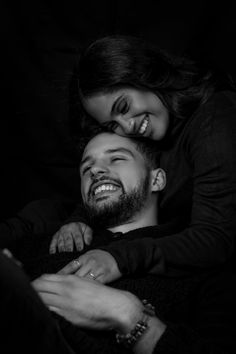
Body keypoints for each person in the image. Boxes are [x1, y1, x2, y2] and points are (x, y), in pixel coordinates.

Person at [1, 131, 236, 354]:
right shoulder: (45, 241)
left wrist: (129, 316)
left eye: (116, 158)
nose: (95, 170)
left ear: (157, 180)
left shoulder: (199, 266)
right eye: (86, 167)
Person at [49, 35, 236, 279]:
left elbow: (216, 239)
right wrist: (79, 220)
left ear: (145, 74)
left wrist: (118, 257)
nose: (127, 127)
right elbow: (120, 180)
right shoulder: (153, 126)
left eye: (124, 107)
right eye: (112, 124)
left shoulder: (216, 122)